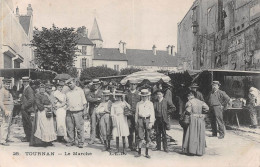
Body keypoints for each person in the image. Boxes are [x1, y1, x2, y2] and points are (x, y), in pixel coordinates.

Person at [182, 90, 209, 156]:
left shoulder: (189, 102)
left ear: (190, 96)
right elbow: (207, 108)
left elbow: (188, 111)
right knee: (199, 134)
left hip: (192, 119)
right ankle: (199, 151)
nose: (188, 97)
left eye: (188, 96)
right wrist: (201, 114)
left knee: (192, 134)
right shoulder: (201, 102)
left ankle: (192, 151)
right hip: (200, 119)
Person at [65, 78, 87, 148]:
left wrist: (85, 111)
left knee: (79, 128)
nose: (69, 85)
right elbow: (65, 102)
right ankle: (71, 141)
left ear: (74, 82)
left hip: (78, 112)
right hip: (69, 112)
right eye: (68, 84)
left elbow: (84, 102)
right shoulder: (67, 92)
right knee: (70, 128)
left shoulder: (80, 90)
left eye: (70, 83)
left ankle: (80, 142)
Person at [135, 89, 155, 158]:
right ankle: (139, 152)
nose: (144, 97)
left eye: (145, 96)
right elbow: (136, 113)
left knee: (147, 136)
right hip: (140, 119)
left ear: (147, 96)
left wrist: (151, 122)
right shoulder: (138, 103)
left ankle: (146, 153)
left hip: (147, 120)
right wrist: (136, 121)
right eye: (143, 96)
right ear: (141, 96)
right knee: (140, 136)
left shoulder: (150, 103)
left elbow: (152, 113)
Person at [125, 79, 141, 151]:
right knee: (129, 129)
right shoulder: (126, 93)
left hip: (137, 114)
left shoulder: (139, 93)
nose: (133, 86)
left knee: (137, 129)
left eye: (134, 84)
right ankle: (130, 145)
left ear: (136, 85)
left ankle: (137, 145)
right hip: (129, 115)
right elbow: (124, 103)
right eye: (131, 84)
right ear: (129, 85)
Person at [86, 79, 103, 144]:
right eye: (94, 84)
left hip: (100, 109)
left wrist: (94, 99)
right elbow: (88, 99)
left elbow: (102, 100)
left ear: (99, 85)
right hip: (92, 109)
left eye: (97, 84)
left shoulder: (102, 91)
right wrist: (97, 99)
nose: (95, 86)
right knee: (93, 124)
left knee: (101, 124)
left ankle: (102, 138)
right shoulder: (90, 92)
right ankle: (92, 139)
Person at [0, 79, 14, 146]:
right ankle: (2, 140)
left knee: (8, 125)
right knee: (5, 124)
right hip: (6, 110)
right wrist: (5, 110)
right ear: (3, 84)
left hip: (10, 109)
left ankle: (7, 137)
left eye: (9, 84)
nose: (8, 85)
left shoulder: (8, 91)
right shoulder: (2, 91)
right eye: (6, 84)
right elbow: (1, 102)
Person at [21, 77, 35, 142]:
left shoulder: (29, 89)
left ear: (28, 82)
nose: (24, 83)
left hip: (27, 109)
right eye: (24, 81)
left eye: (26, 81)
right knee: (26, 123)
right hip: (25, 109)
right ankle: (28, 136)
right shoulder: (25, 88)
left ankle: (29, 138)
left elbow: (31, 100)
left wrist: (24, 106)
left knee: (27, 123)